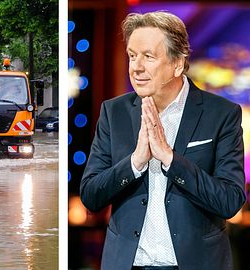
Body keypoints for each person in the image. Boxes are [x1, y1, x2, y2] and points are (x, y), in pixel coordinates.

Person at [80, 11, 246, 270]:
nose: (136, 67)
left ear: (177, 64)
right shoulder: (114, 113)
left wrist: (170, 159)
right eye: (132, 56)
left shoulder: (221, 114)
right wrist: (135, 162)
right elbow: (91, 196)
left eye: (148, 56)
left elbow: (230, 201)